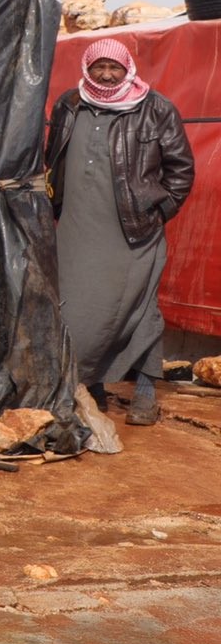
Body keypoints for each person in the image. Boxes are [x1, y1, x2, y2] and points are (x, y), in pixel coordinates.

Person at [46, 38, 195, 426]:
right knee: (76, 308)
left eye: (115, 67)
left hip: (134, 230)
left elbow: (181, 170)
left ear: (127, 67)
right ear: (87, 68)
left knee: (140, 306)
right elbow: (52, 160)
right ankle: (90, 386)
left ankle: (145, 391)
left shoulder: (155, 108)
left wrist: (157, 211)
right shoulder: (69, 103)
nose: (107, 74)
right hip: (77, 226)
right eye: (99, 67)